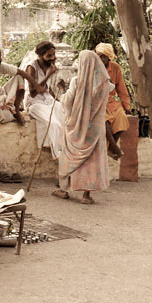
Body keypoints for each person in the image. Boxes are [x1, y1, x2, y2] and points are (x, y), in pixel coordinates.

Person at [52, 50, 112, 204]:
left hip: (77, 126)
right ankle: (86, 195)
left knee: (69, 157)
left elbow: (67, 102)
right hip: (96, 128)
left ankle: (64, 189)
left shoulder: (77, 81)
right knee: (92, 161)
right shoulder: (105, 83)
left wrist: (61, 91)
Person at [24, 40, 66, 158]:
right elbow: (32, 92)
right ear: (40, 55)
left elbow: (47, 88)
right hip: (34, 103)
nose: (52, 58)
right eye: (49, 56)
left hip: (47, 100)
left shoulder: (48, 66)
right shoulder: (31, 67)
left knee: (65, 116)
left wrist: (58, 98)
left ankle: (68, 150)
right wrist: (48, 75)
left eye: (53, 55)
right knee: (54, 124)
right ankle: (58, 154)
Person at [95, 42, 131, 159]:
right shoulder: (92, 67)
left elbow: (122, 89)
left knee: (122, 117)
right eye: (98, 55)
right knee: (103, 119)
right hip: (96, 101)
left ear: (108, 58)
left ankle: (110, 148)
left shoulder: (115, 67)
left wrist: (127, 107)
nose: (100, 59)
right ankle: (115, 148)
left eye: (103, 56)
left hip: (110, 101)